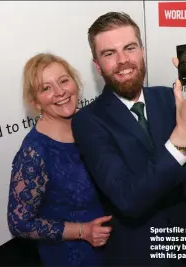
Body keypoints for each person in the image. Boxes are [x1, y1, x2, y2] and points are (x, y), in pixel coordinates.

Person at [71, 12, 186, 266]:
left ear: (142, 51)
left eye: (129, 48)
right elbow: (128, 199)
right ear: (97, 65)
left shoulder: (168, 97)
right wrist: (183, 135)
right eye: (109, 53)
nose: (123, 60)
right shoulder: (88, 121)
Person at [7, 53, 113, 266]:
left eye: (63, 80)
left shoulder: (90, 124)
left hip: (114, 245)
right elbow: (19, 223)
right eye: (46, 88)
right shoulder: (34, 153)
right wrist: (83, 232)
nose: (60, 92)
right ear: (35, 101)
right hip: (75, 255)